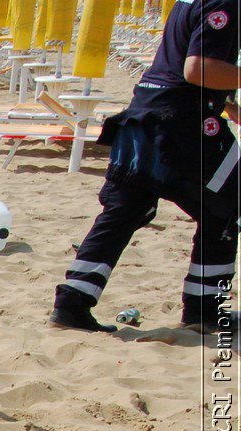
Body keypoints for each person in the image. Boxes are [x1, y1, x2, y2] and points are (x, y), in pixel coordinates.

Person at [49, 0, 240, 333]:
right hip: (179, 122)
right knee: (227, 206)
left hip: (147, 111)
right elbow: (195, 69)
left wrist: (226, 103)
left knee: (125, 210)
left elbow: (181, 60)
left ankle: (71, 303)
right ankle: (204, 309)